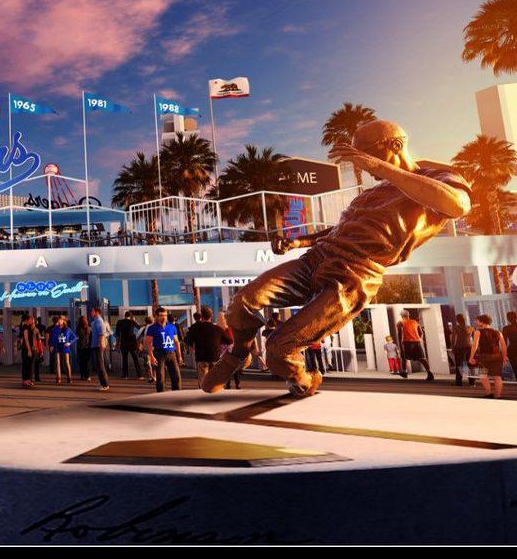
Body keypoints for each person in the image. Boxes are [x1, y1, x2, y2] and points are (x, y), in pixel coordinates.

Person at [202, 120, 471, 397]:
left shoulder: (437, 181)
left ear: (396, 145)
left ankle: (303, 380)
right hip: (316, 258)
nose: (364, 166)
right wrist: (300, 241)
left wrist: (382, 168)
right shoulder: (371, 194)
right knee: (241, 304)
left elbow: (456, 205)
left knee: (278, 350)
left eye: (366, 155)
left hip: (354, 273)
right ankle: (238, 353)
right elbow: (340, 230)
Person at [144, 307, 183, 392]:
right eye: (161, 315)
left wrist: (179, 356)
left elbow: (176, 342)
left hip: (171, 354)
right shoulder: (152, 328)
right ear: (156, 316)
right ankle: (160, 394)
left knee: (176, 376)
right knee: (160, 377)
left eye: (165, 315)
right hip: (159, 354)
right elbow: (148, 343)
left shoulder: (172, 327)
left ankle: (177, 393)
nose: (164, 317)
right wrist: (151, 356)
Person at [470, 314, 507, 399]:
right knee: (497, 376)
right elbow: (503, 346)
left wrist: (471, 357)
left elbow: (475, 345)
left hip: (484, 356)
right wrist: (504, 357)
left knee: (483, 375)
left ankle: (488, 393)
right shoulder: (498, 332)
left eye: (478, 321)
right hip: (497, 356)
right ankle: (498, 395)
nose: (476, 322)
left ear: (482, 322)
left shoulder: (478, 332)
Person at [185, 308, 226, 384]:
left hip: (201, 357)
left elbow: (189, 340)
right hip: (215, 356)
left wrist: (192, 346)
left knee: (203, 381)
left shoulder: (195, 327)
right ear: (211, 316)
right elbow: (229, 340)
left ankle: (203, 393)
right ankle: (215, 393)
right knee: (215, 379)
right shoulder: (218, 328)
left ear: (202, 316)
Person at [397, 310, 433, 380]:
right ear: (408, 315)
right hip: (417, 342)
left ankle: (404, 372)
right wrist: (419, 339)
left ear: (401, 316)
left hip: (407, 342)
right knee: (422, 358)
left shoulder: (400, 323)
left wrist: (400, 346)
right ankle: (430, 373)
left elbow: (399, 334)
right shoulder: (415, 322)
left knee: (404, 357)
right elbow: (421, 332)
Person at [116, 311, 145, 380]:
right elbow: (140, 328)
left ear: (124, 316)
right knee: (135, 359)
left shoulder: (119, 322)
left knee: (125, 359)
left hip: (123, 343)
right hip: (132, 343)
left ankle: (125, 375)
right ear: (131, 316)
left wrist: (117, 343)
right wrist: (134, 320)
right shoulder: (132, 322)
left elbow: (117, 333)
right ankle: (139, 375)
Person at [49, 315, 75, 385]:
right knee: (57, 363)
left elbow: (74, 337)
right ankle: (58, 378)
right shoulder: (55, 329)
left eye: (60, 320)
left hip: (65, 347)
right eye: (58, 320)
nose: (59, 321)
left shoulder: (68, 329)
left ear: (63, 321)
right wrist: (51, 345)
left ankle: (69, 378)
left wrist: (69, 343)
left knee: (66, 362)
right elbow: (53, 338)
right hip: (57, 347)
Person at [89, 307, 111, 391]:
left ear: (96, 312)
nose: (91, 312)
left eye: (92, 311)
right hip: (95, 346)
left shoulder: (99, 321)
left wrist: (101, 346)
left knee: (101, 365)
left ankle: (105, 385)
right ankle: (102, 383)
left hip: (98, 346)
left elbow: (101, 335)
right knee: (98, 365)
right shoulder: (95, 321)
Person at [450, 314, 472, 387]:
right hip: (469, 347)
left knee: (459, 365)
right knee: (470, 365)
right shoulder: (470, 328)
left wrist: (453, 348)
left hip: (459, 348)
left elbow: (453, 339)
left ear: (457, 320)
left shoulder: (456, 328)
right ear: (465, 319)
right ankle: (472, 382)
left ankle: (459, 382)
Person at [18, 314, 39, 388]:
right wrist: (29, 350)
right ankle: (25, 380)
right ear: (27, 320)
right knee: (26, 365)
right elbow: (26, 339)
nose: (32, 320)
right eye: (31, 319)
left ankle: (27, 380)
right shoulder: (25, 327)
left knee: (29, 364)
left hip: (29, 348)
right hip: (26, 349)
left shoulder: (29, 327)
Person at [76, 315, 92, 382]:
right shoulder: (89, 328)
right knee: (87, 362)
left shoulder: (78, 328)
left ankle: (82, 375)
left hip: (80, 347)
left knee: (81, 362)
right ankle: (87, 376)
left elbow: (77, 336)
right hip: (88, 347)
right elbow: (91, 337)